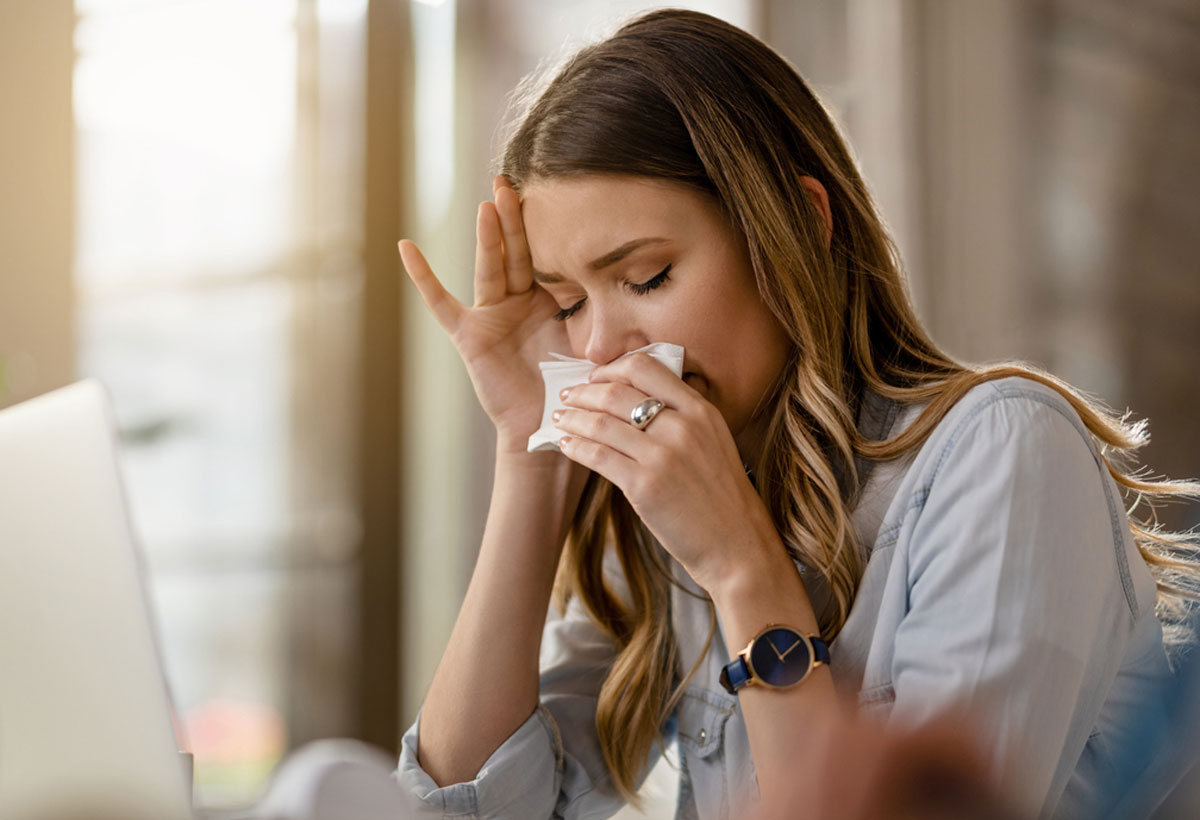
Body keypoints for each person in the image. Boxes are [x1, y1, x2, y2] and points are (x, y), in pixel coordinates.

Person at [392, 9, 1199, 819]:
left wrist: (744, 570)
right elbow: (461, 809)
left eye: (645, 278)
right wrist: (531, 453)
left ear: (799, 228)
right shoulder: (675, 503)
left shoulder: (1005, 453)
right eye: (568, 304)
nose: (600, 349)